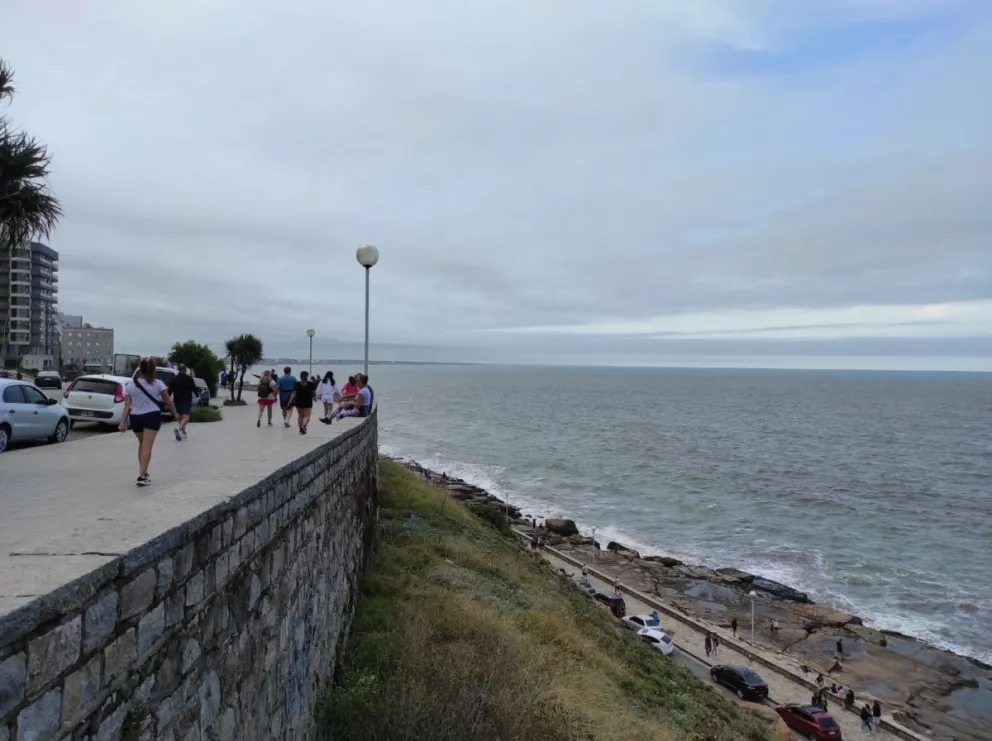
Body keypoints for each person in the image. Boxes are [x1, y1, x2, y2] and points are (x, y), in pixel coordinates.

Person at [120, 357, 179, 486]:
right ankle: (141, 476)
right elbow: (168, 401)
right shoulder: (158, 384)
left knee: (142, 444)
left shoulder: (131, 384)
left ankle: (144, 472)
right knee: (147, 446)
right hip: (152, 416)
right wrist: (175, 414)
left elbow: (126, 405)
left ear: (140, 369)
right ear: (153, 369)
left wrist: (123, 422)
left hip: (135, 417)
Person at [167, 364, 197, 441]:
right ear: (185, 369)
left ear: (178, 370)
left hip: (177, 400)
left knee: (180, 417)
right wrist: (197, 394)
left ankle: (183, 432)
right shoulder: (189, 379)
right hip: (186, 400)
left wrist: (166, 401)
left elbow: (169, 392)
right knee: (186, 417)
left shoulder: (173, 379)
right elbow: (194, 388)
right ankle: (178, 429)